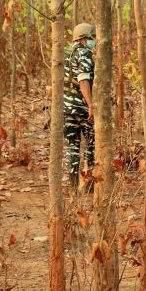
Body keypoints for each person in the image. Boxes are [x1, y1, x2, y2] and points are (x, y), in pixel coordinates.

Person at [63, 22, 96, 188]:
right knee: (91, 144)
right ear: (84, 38)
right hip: (82, 107)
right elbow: (83, 79)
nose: (93, 41)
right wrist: (90, 104)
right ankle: (90, 185)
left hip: (66, 108)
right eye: (92, 38)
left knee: (73, 147)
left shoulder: (65, 53)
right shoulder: (84, 53)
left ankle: (73, 187)